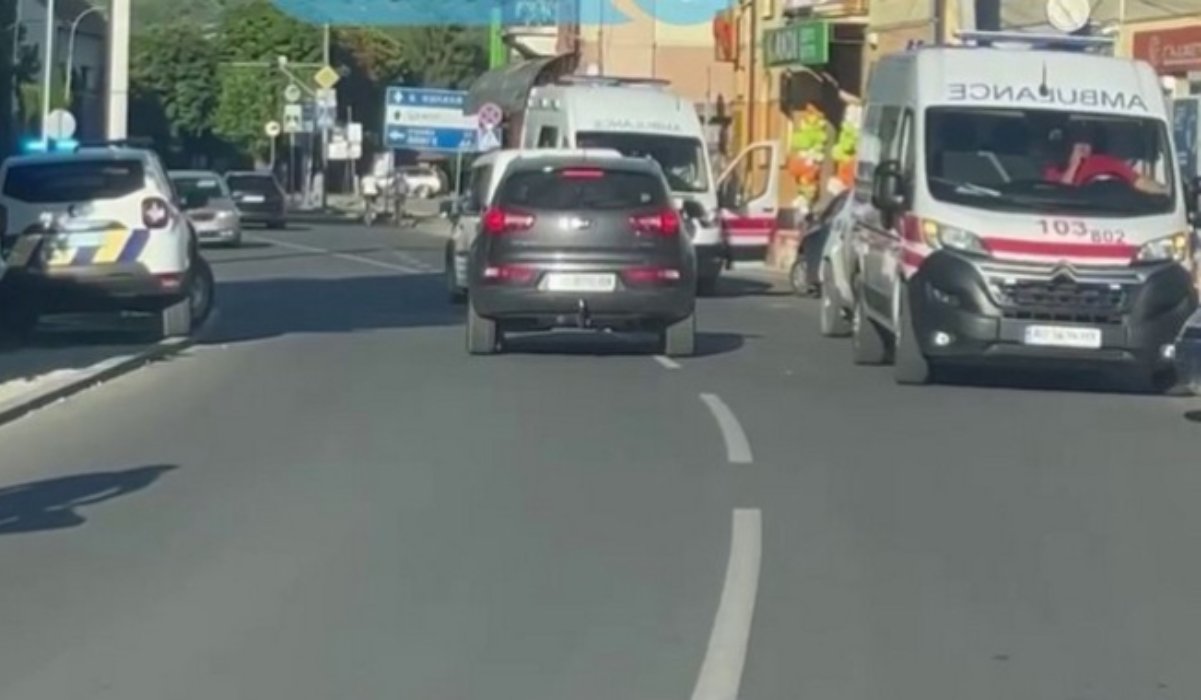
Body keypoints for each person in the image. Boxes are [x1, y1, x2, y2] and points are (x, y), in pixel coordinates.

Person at [1042, 123, 1167, 194]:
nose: (1083, 148)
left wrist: (1165, 191)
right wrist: (1074, 165)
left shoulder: (1104, 162)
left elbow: (1138, 182)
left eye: (1087, 143)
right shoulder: (1055, 168)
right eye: (1078, 143)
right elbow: (1062, 194)